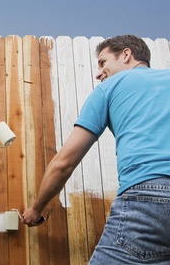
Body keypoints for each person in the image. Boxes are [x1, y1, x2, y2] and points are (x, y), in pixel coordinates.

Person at [21, 35, 170, 264]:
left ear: (127, 55)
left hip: (147, 198)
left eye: (103, 62)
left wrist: (36, 209)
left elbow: (64, 162)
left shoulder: (109, 88)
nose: (99, 73)